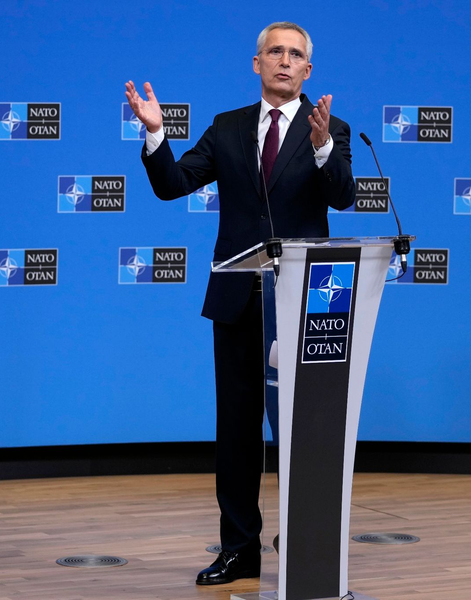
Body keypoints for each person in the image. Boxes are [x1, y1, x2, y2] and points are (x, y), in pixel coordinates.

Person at [125, 21, 355, 585]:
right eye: (275, 51)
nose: (285, 60)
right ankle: (239, 549)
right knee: (236, 431)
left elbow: (343, 197)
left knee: (303, 431)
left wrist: (323, 148)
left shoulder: (331, 128)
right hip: (236, 301)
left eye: (295, 54)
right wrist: (155, 134)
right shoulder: (227, 127)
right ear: (257, 63)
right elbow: (173, 184)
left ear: (308, 70)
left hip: (302, 305)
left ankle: (305, 541)